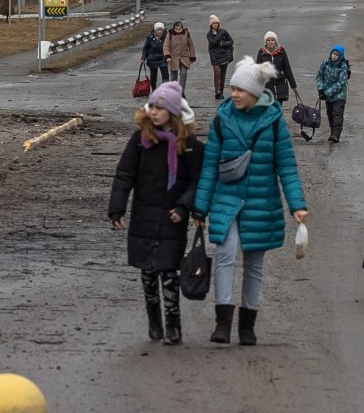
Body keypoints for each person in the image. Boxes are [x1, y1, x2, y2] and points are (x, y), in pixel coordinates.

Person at [192, 58, 307, 347]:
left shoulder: (273, 121)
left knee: (254, 262)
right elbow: (209, 167)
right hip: (226, 199)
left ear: (255, 92)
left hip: (261, 201)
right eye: (232, 88)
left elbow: (287, 166)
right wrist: (200, 206)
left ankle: (247, 325)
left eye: (240, 90)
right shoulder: (221, 119)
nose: (234, 94)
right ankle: (222, 322)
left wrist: (296, 205)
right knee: (226, 253)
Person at [109, 81, 204, 346]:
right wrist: (116, 208)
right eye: (151, 106)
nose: (154, 112)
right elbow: (124, 174)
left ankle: (173, 324)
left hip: (172, 217)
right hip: (143, 216)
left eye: (160, 108)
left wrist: (185, 207)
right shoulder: (141, 141)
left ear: (172, 112)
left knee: (169, 272)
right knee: (148, 273)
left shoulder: (189, 145)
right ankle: (154, 319)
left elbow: (198, 181)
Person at [314, 45, 351, 143]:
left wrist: (327, 92)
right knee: (330, 114)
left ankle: (336, 134)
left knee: (337, 114)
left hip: (339, 96)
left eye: (337, 55)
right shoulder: (325, 64)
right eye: (333, 54)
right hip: (327, 96)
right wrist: (321, 90)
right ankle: (332, 132)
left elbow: (341, 83)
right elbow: (319, 76)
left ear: (341, 56)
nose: (334, 56)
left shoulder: (342, 66)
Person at [256, 31, 296, 97]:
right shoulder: (261, 53)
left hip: (281, 85)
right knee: (269, 106)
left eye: (272, 40)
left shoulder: (281, 52)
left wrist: (293, 86)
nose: (270, 42)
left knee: (278, 106)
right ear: (265, 42)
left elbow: (287, 69)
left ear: (275, 41)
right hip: (267, 86)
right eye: (268, 40)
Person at [163, 19, 198, 95]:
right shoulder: (170, 33)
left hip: (184, 57)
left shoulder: (186, 33)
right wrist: (167, 55)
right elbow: (166, 45)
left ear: (181, 26)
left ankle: (182, 92)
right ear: (174, 26)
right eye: (176, 25)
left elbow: (190, 45)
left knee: (183, 74)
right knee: (173, 76)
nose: (178, 27)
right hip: (174, 58)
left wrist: (192, 56)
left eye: (179, 25)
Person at [205, 15, 235, 98]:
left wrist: (223, 44)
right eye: (213, 23)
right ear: (211, 25)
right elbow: (214, 42)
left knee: (223, 75)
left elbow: (231, 42)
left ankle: (221, 92)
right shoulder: (209, 34)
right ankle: (217, 91)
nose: (215, 25)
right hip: (215, 57)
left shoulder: (224, 31)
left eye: (217, 23)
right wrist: (220, 33)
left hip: (224, 56)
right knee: (217, 73)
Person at [141, 21, 168, 87]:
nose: (159, 32)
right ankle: (154, 90)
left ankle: (164, 90)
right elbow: (145, 48)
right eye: (158, 30)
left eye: (161, 30)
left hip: (163, 58)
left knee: (165, 76)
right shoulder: (149, 38)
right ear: (155, 30)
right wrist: (143, 58)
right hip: (152, 59)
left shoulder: (166, 37)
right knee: (153, 76)